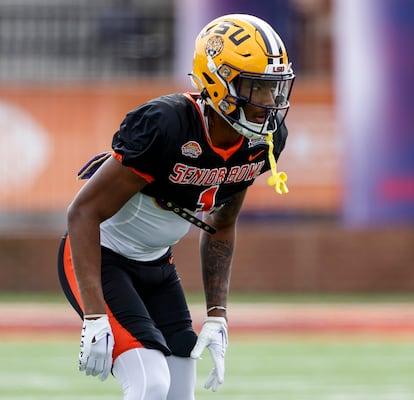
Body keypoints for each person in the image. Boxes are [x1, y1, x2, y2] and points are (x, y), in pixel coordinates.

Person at [57, 13, 295, 399]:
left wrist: (217, 314)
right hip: (103, 258)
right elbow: (83, 212)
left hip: (157, 265)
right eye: (255, 87)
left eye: (274, 89)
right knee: (150, 382)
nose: (268, 103)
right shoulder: (166, 124)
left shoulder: (261, 142)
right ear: (218, 83)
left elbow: (222, 223)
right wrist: (95, 313)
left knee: (180, 390)